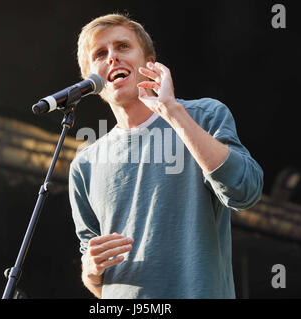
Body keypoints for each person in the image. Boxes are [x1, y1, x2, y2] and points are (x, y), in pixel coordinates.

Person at [68, 13, 263, 299]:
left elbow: (245, 191)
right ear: (91, 81)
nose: (112, 57)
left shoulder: (204, 115)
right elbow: (96, 277)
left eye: (123, 47)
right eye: (100, 53)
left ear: (149, 62)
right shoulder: (84, 165)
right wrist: (91, 271)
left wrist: (173, 112)